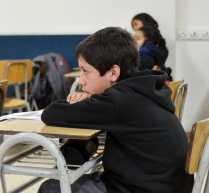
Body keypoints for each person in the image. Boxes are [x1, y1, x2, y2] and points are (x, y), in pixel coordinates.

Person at [38, 27, 193, 193]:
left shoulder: (118, 101)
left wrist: (87, 100)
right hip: (165, 185)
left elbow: (50, 113)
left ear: (113, 72)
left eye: (86, 71)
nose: (81, 81)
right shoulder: (141, 90)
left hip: (141, 188)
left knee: (51, 188)